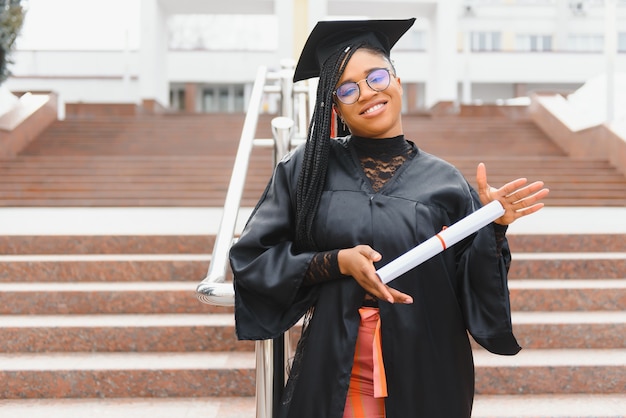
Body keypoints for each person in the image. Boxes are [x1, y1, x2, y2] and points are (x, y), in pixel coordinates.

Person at [230, 18, 550, 418]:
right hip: (336, 362)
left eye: (376, 77)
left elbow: (472, 286)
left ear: (398, 82)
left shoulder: (446, 182)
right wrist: (335, 262)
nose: (367, 93)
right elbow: (254, 258)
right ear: (337, 108)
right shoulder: (308, 170)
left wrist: (492, 228)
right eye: (347, 89)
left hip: (425, 363)